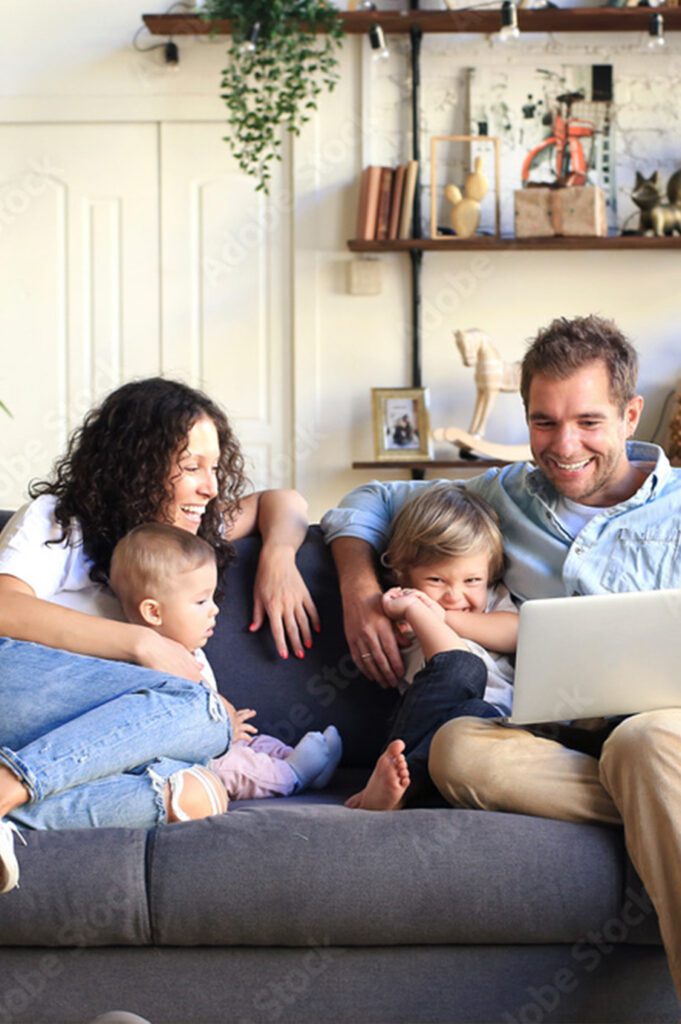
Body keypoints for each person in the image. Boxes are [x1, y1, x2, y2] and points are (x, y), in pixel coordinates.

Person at [321, 314, 681, 998]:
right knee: (457, 749)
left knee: (643, 744)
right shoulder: (502, 493)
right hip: (544, 740)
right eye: (543, 422)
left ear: (631, 414)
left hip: (660, 731)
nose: (563, 445)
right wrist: (359, 588)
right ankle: (661, 806)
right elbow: (369, 500)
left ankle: (658, 786)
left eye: (587, 421)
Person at [0, 377, 320, 893]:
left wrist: (280, 558)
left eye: (214, 467)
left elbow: (281, 501)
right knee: (202, 708)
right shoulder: (59, 521)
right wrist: (144, 645)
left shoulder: (181, 537)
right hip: (20, 700)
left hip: (99, 746)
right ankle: (9, 785)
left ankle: (11, 819)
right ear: (136, 466)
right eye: (191, 467)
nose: (211, 487)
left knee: (199, 789)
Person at [109, 522, 342, 808]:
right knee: (237, 767)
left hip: (218, 739)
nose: (215, 609)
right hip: (191, 758)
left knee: (256, 744)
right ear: (153, 612)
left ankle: (304, 764)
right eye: (200, 601)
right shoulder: (147, 663)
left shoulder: (189, 650)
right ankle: (293, 774)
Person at [344, 484, 517, 811]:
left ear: (490, 573)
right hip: (428, 729)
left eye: (472, 581)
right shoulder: (403, 608)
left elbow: (517, 632)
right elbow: (455, 661)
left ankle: (401, 795)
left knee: (478, 714)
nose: (455, 595)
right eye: (437, 580)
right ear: (402, 573)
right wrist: (418, 611)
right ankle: (392, 790)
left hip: (490, 733)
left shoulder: (492, 600)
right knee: (462, 672)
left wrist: (443, 615)